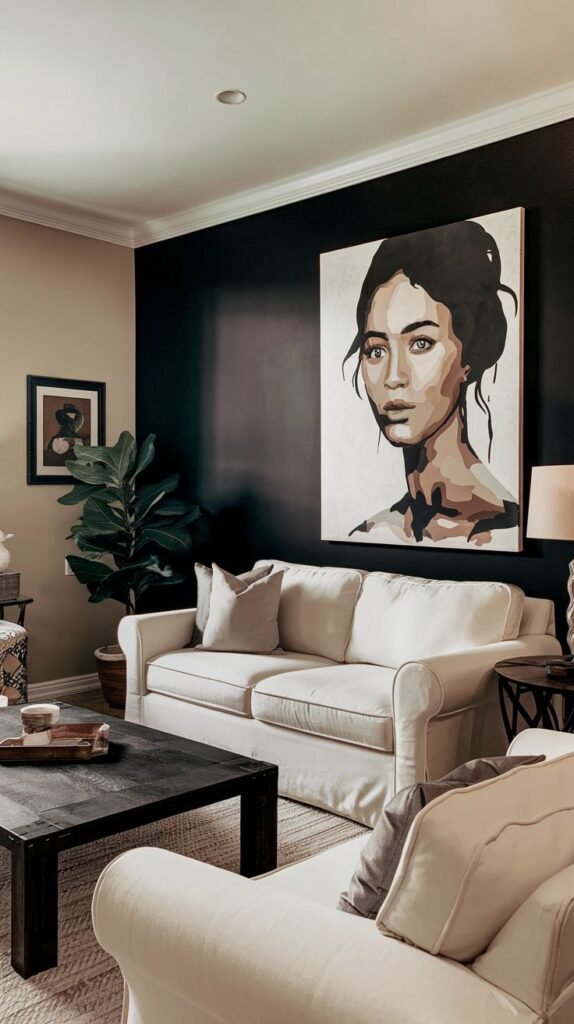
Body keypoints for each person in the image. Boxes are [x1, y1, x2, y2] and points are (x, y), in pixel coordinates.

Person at [344, 219, 519, 547]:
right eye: (376, 349)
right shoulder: (374, 532)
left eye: (421, 343)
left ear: (468, 357)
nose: (394, 376)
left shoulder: (501, 532)